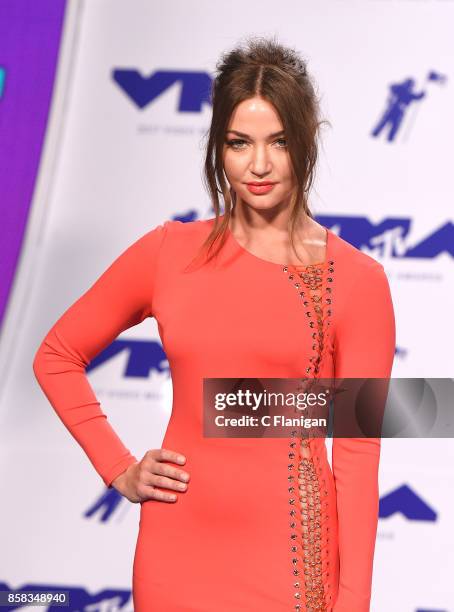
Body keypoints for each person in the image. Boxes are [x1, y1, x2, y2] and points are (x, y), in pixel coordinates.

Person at [33, 36, 396, 611]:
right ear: (217, 148)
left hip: (292, 559)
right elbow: (56, 355)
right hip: (177, 552)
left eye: (278, 142)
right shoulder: (169, 252)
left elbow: (357, 455)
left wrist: (352, 604)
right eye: (239, 143)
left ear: (306, 143)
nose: (259, 164)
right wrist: (119, 468)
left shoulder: (355, 279)